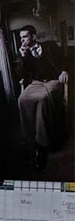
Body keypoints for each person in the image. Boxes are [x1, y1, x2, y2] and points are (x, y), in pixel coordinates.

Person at [16, 24, 69, 170]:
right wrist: (23, 58)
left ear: (34, 36)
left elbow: (65, 59)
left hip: (54, 81)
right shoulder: (23, 53)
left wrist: (64, 70)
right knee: (22, 99)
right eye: (21, 38)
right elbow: (22, 75)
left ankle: (42, 145)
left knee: (43, 99)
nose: (22, 40)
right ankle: (29, 139)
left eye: (25, 36)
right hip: (36, 83)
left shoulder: (50, 46)